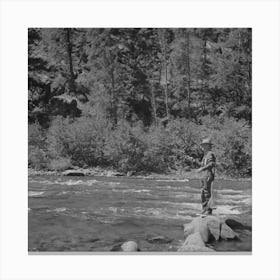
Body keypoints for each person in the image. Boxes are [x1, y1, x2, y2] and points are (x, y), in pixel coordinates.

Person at [196, 138, 216, 215]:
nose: (202, 146)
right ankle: (204, 209)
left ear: (208, 146)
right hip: (204, 175)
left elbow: (211, 164)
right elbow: (203, 165)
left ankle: (208, 210)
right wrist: (194, 161)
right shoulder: (205, 155)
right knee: (203, 192)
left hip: (208, 175)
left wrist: (202, 168)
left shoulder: (210, 154)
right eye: (202, 145)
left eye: (204, 145)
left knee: (207, 193)